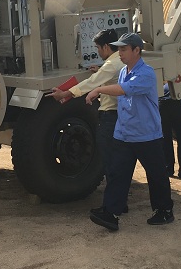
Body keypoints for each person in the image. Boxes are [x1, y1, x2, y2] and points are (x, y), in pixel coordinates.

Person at [85, 32, 174, 232]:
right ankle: (111, 214)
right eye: (119, 49)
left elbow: (124, 90)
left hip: (146, 135)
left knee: (156, 174)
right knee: (118, 174)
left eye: (124, 49)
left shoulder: (147, 73)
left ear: (136, 50)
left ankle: (164, 211)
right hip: (125, 134)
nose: (120, 53)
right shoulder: (125, 70)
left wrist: (99, 90)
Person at [49, 29, 125, 179]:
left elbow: (91, 83)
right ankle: (119, 190)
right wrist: (100, 71)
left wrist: (64, 94)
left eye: (97, 47)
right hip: (121, 113)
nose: (97, 52)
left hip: (111, 115)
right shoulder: (120, 60)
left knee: (108, 156)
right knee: (118, 155)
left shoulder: (110, 65)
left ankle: (114, 195)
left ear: (106, 47)